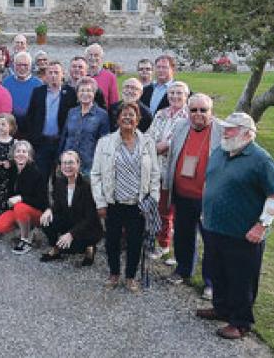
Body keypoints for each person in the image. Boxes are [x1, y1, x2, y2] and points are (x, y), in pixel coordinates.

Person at [197, 112, 274, 340]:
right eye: (225, 127)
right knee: (218, 272)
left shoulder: (261, 160)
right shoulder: (220, 152)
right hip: (214, 228)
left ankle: (240, 322)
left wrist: (261, 225)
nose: (225, 131)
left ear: (247, 133)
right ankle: (221, 308)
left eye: (231, 128)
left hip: (243, 234)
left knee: (241, 279)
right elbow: (210, 182)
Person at [90, 102, 161, 293]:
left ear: (138, 120)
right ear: (117, 119)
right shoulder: (105, 142)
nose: (128, 118)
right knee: (112, 241)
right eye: (124, 115)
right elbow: (95, 174)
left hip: (138, 204)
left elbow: (155, 173)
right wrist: (101, 202)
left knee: (135, 242)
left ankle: (130, 277)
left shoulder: (147, 142)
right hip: (113, 202)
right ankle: (114, 274)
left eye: (132, 115)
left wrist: (152, 200)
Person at [164, 93, 220, 292]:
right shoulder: (181, 126)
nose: (197, 114)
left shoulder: (221, 130)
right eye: (193, 110)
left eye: (203, 110)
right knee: (183, 235)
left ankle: (211, 282)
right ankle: (183, 269)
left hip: (208, 198)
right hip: (182, 194)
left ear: (211, 112)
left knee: (211, 241)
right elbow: (171, 156)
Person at [145, 80, 191, 260]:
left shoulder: (188, 116)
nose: (175, 96)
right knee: (159, 207)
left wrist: (165, 146)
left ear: (186, 96)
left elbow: (182, 141)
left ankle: (172, 248)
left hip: (177, 169)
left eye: (179, 93)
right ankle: (161, 243)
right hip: (157, 168)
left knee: (174, 211)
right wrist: (155, 146)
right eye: (172, 93)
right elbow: (149, 136)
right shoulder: (161, 113)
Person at [39, 151, 103, 266]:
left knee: (73, 249)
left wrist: (71, 234)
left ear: (78, 164)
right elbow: (58, 205)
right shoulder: (59, 182)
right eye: (64, 163)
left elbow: (90, 218)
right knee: (45, 221)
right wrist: (49, 210)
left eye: (71, 163)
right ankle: (56, 249)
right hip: (70, 220)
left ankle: (89, 247)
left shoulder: (87, 186)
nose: (67, 166)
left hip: (87, 226)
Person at [0, 140, 47, 254]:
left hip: (36, 212)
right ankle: (26, 229)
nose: (21, 154)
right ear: (13, 154)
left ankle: (25, 240)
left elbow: (42, 201)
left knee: (20, 207)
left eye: (24, 152)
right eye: (18, 151)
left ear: (29, 155)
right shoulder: (12, 171)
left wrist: (21, 198)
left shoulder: (36, 173)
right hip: (18, 210)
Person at [22, 61, 77, 178]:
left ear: (63, 74)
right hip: (41, 143)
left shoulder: (71, 93)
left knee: (60, 177)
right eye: (50, 72)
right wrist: (32, 137)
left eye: (56, 72)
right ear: (46, 75)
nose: (53, 75)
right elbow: (30, 116)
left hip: (61, 142)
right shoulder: (38, 92)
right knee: (40, 176)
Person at [59, 77, 110, 176]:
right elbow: (64, 136)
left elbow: (104, 142)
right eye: (82, 90)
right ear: (77, 93)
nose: (85, 93)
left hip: (89, 165)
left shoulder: (102, 115)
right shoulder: (72, 112)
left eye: (89, 90)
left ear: (94, 93)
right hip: (68, 163)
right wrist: (60, 157)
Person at [2, 51, 43, 126]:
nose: (22, 68)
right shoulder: (6, 83)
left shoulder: (39, 84)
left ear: (30, 66)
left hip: (31, 125)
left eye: (25, 65)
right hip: (10, 125)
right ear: (13, 65)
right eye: (19, 65)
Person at [86, 44, 119, 108]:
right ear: (86, 57)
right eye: (90, 55)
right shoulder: (81, 75)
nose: (93, 58)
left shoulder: (110, 77)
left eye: (96, 55)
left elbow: (114, 102)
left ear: (101, 58)